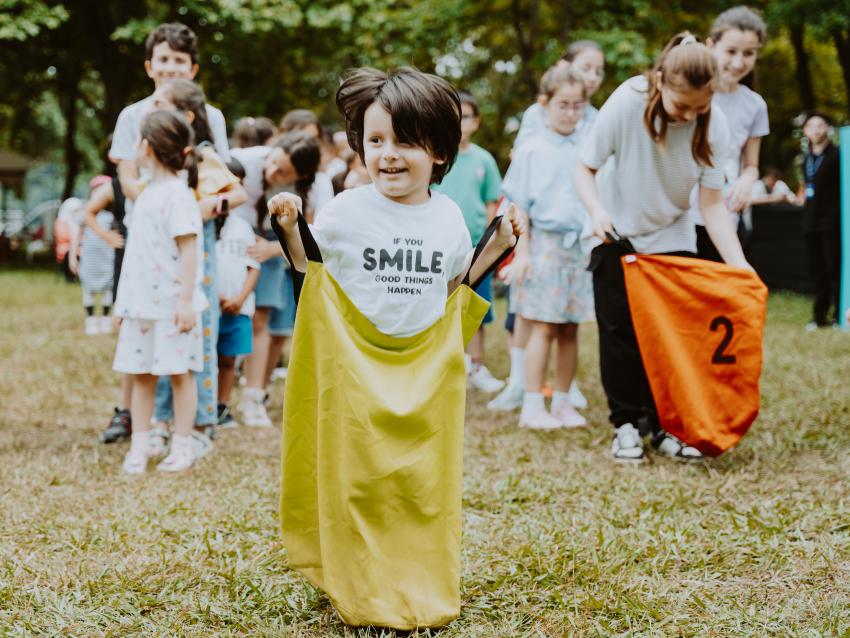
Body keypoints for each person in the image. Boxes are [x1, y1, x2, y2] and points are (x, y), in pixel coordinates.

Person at [269, 67, 524, 630]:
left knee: (417, 483)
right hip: (356, 369)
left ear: (438, 150)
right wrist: (288, 225)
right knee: (358, 480)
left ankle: (416, 578)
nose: (387, 155)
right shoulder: (346, 211)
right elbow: (310, 272)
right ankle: (359, 582)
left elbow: (455, 289)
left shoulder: (449, 219)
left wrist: (499, 245)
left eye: (405, 141)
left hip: (423, 374)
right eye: (375, 140)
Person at [574, 32, 751, 463]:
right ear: (659, 82)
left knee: (670, 337)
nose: (690, 115)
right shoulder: (627, 101)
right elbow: (584, 167)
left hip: (671, 236)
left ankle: (665, 425)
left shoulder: (715, 126)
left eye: (700, 106)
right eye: (681, 105)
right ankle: (627, 425)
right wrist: (596, 211)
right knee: (620, 334)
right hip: (615, 232)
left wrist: (740, 266)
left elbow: (711, 205)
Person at [100, 21, 230, 444]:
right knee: (143, 320)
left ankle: (197, 420)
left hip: (191, 231)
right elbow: (123, 166)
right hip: (143, 232)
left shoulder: (212, 116)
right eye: (163, 59)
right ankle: (140, 419)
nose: (171, 67)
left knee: (189, 321)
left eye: (179, 60)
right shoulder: (132, 114)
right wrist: (146, 199)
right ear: (149, 65)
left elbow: (223, 176)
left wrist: (192, 206)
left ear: (192, 68)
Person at [490, 40, 605, 412]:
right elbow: (518, 206)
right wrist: (521, 253)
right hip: (542, 248)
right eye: (563, 105)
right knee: (543, 326)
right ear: (545, 104)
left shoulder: (588, 147)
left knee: (570, 328)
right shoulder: (531, 150)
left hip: (578, 249)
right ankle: (531, 403)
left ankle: (562, 402)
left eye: (578, 106)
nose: (571, 113)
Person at [147, 79, 247, 458]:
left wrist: (210, 207)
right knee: (164, 335)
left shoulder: (203, 156)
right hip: (163, 261)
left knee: (199, 340)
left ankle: (203, 422)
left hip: (198, 264)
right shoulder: (156, 158)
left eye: (161, 103)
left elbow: (236, 193)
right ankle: (161, 420)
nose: (151, 108)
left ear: (186, 116)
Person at [112, 110, 208, 474]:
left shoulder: (177, 196)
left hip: (172, 306)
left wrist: (185, 301)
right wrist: (122, 303)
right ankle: (139, 446)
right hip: (142, 307)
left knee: (180, 374)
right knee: (141, 375)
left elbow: (188, 250)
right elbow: (135, 256)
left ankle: (182, 446)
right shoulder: (146, 195)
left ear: (147, 147)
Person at [237, 131, 331, 427]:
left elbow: (316, 234)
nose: (273, 172)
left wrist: (273, 248)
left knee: (264, 321)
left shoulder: (315, 187)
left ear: (300, 176)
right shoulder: (246, 160)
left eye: (284, 172)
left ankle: (254, 395)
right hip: (235, 244)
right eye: (274, 162)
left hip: (277, 249)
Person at [432, 90, 504, 392]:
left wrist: (486, 243)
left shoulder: (484, 160)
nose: (461, 122)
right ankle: (445, 365)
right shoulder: (436, 155)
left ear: (476, 122)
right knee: (439, 308)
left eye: (467, 116)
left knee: (475, 307)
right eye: (455, 116)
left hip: (475, 248)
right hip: (438, 245)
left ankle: (476, 366)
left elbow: (491, 202)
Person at [694, 6, 770, 261]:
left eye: (748, 53)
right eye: (730, 51)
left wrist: (747, 180)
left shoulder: (755, 105)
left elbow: (751, 165)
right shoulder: (690, 92)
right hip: (680, 217)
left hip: (723, 217)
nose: (739, 62)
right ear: (710, 45)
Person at [215, 198, 261, 428]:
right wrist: (217, 296)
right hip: (209, 305)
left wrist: (239, 299)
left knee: (228, 359)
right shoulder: (203, 222)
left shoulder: (242, 227)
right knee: (204, 360)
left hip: (237, 307)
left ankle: (221, 406)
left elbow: (254, 266)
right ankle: (200, 406)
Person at [513, 40, 605, 150]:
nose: (593, 77)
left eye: (598, 72)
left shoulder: (596, 118)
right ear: (564, 65)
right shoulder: (536, 114)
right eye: (585, 69)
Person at [799, 112, 841, 330]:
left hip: (832, 222)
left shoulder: (838, 156)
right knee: (817, 271)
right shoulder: (806, 158)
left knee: (834, 268)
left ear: (827, 129)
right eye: (811, 126)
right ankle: (819, 316)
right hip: (811, 221)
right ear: (805, 131)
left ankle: (839, 315)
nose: (816, 130)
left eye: (820, 125)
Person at [69, 176, 115, 335]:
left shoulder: (112, 216)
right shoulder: (84, 214)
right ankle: (91, 319)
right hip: (90, 259)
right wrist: (72, 257)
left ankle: (105, 317)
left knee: (107, 289)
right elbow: (76, 236)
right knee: (88, 289)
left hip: (107, 259)